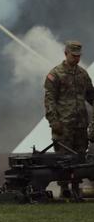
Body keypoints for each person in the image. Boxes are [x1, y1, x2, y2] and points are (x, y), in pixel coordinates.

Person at [44, 40, 94, 197]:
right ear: (66, 54)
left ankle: (75, 188)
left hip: (80, 124)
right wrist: (54, 121)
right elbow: (49, 100)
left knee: (79, 156)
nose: (77, 59)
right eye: (74, 55)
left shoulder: (82, 75)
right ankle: (65, 189)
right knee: (63, 159)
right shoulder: (55, 74)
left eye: (79, 56)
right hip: (63, 125)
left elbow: (91, 96)